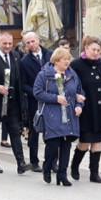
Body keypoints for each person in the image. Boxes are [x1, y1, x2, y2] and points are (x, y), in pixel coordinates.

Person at [0, 32, 31, 174]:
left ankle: (20, 162)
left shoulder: (15, 56)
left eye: (10, 43)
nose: (8, 46)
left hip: (12, 102)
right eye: (5, 44)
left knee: (15, 131)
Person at [33, 48, 85, 186]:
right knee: (53, 143)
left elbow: (79, 92)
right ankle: (47, 168)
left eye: (69, 59)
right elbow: (37, 92)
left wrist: (79, 104)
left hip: (69, 115)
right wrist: (55, 98)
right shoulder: (44, 74)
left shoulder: (72, 74)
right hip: (52, 114)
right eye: (65, 59)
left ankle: (62, 175)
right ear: (56, 61)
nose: (67, 62)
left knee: (66, 145)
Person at [69, 36, 101, 183]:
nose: (96, 52)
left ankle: (94, 173)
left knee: (98, 140)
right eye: (93, 49)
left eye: (98, 50)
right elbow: (70, 84)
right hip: (86, 108)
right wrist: (76, 97)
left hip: (100, 108)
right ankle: (74, 165)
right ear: (86, 48)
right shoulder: (77, 64)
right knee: (85, 141)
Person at [19, 32, 53, 172]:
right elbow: (23, 84)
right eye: (28, 42)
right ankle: (34, 161)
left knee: (52, 131)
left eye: (33, 41)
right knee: (34, 130)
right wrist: (36, 92)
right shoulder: (24, 61)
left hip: (52, 99)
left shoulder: (50, 54)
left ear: (38, 40)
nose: (31, 44)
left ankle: (52, 161)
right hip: (35, 100)